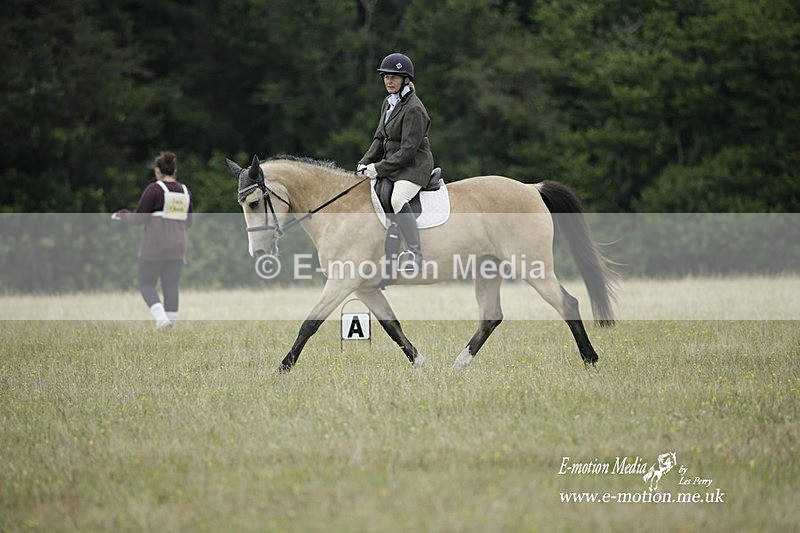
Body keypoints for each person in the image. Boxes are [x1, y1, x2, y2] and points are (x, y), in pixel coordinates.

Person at [358, 52, 434, 271]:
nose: (389, 81)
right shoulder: (388, 103)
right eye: (385, 77)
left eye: (394, 77)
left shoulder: (414, 109)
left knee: (398, 199)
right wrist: (364, 163)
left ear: (406, 80)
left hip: (414, 167)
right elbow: (380, 138)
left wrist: (378, 168)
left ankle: (416, 254)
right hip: (394, 164)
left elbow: (408, 151)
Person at [114, 151, 192, 329]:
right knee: (171, 286)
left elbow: (138, 219)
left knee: (145, 283)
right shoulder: (185, 191)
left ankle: (161, 319)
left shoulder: (154, 189)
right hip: (178, 248)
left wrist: (122, 215)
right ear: (174, 170)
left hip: (155, 247)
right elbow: (189, 222)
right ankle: (171, 324)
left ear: (158, 171)